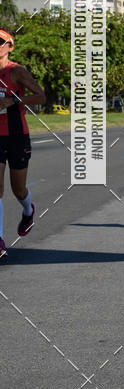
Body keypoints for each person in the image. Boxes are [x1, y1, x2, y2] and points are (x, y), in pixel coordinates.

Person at [0, 29, 46, 260]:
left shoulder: (16, 71)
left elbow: (40, 97)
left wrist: (13, 100)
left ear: (10, 46)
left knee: (18, 189)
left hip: (17, 135)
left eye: (0, 42)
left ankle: (28, 211)